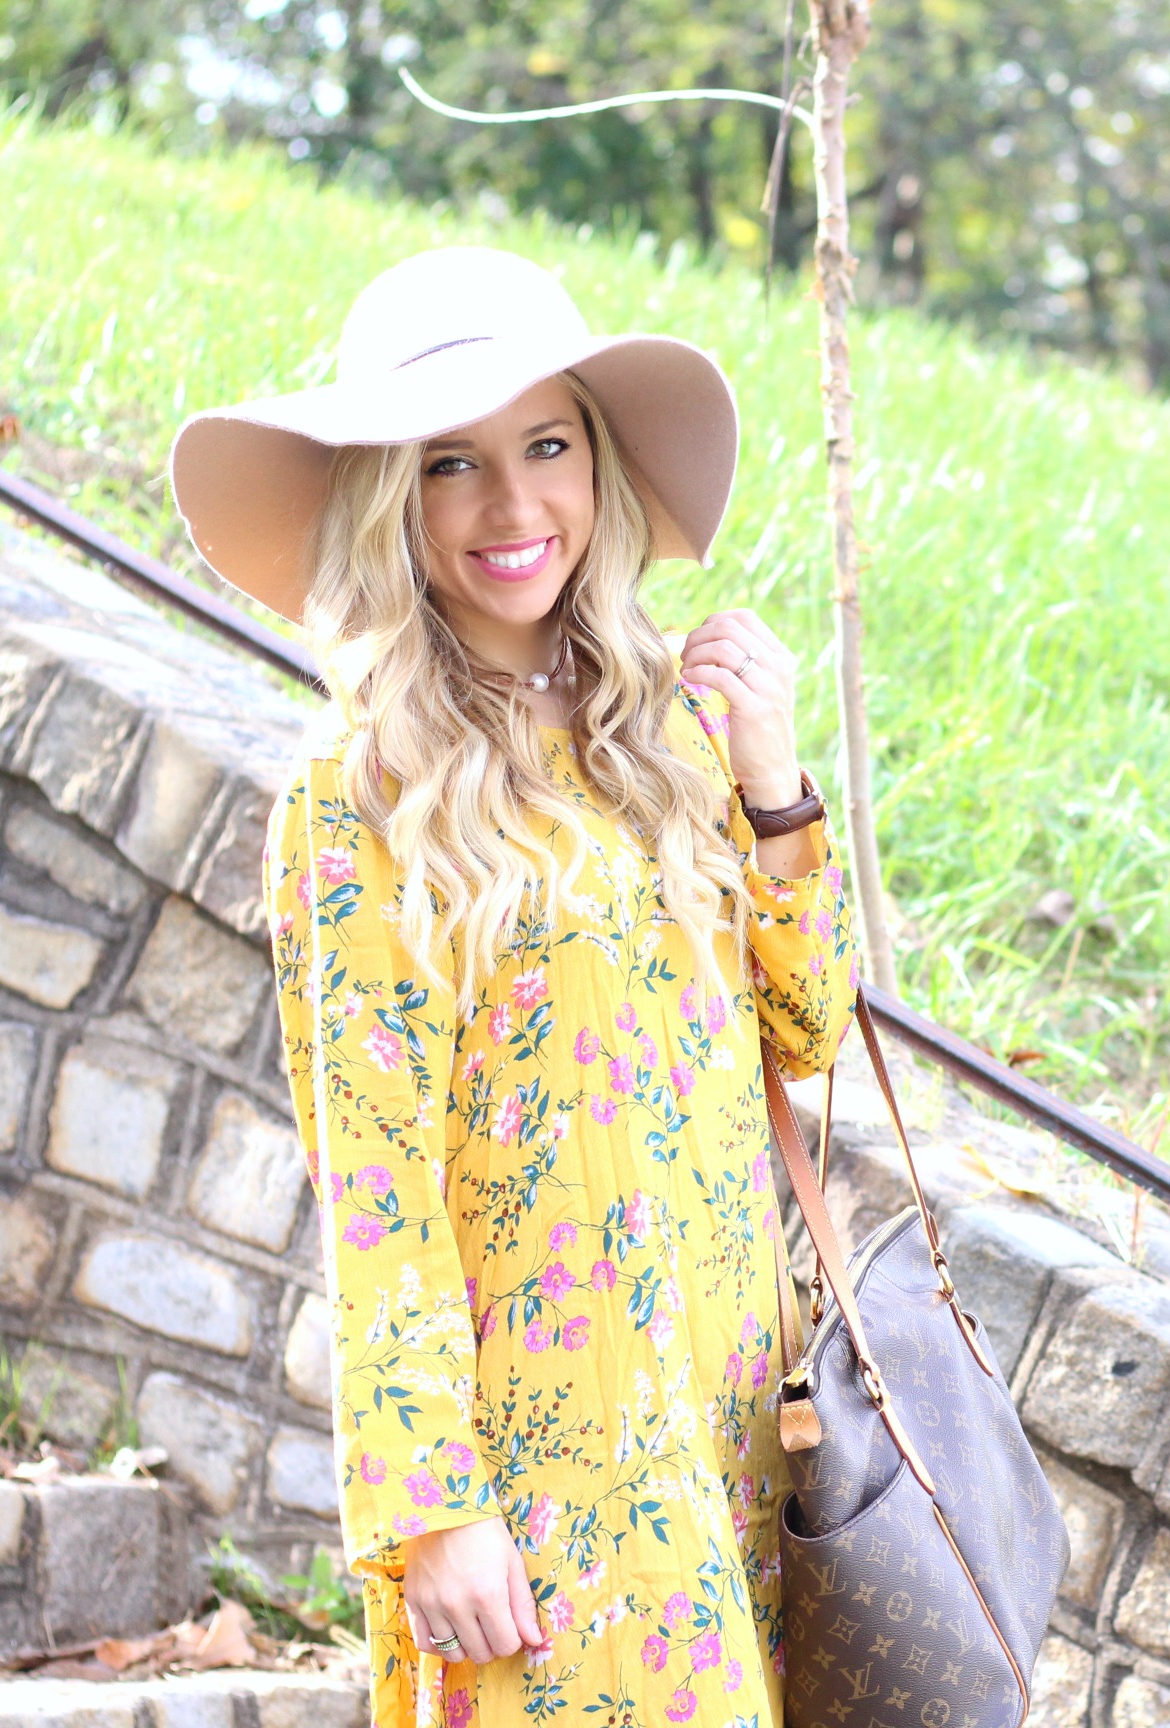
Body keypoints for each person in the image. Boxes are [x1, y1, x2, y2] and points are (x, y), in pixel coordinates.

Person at [171, 246, 856, 1728]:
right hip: (550, 1475)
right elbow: (375, 1183)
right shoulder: (357, 798)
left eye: (546, 446)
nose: (511, 505)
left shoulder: (660, 741)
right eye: (448, 465)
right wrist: (433, 1505)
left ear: (597, 466)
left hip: (739, 1423)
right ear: (385, 501)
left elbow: (802, 1037)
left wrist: (777, 782)